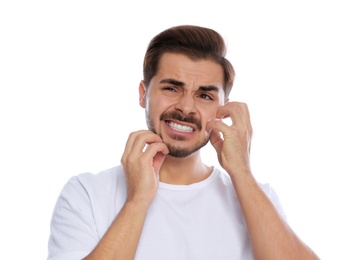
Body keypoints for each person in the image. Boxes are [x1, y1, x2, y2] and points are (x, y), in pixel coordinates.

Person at [47, 25, 319, 260]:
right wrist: (137, 201)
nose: (186, 107)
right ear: (144, 95)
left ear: (223, 108)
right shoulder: (86, 194)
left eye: (204, 96)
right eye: (172, 88)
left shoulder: (257, 197)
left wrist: (243, 174)